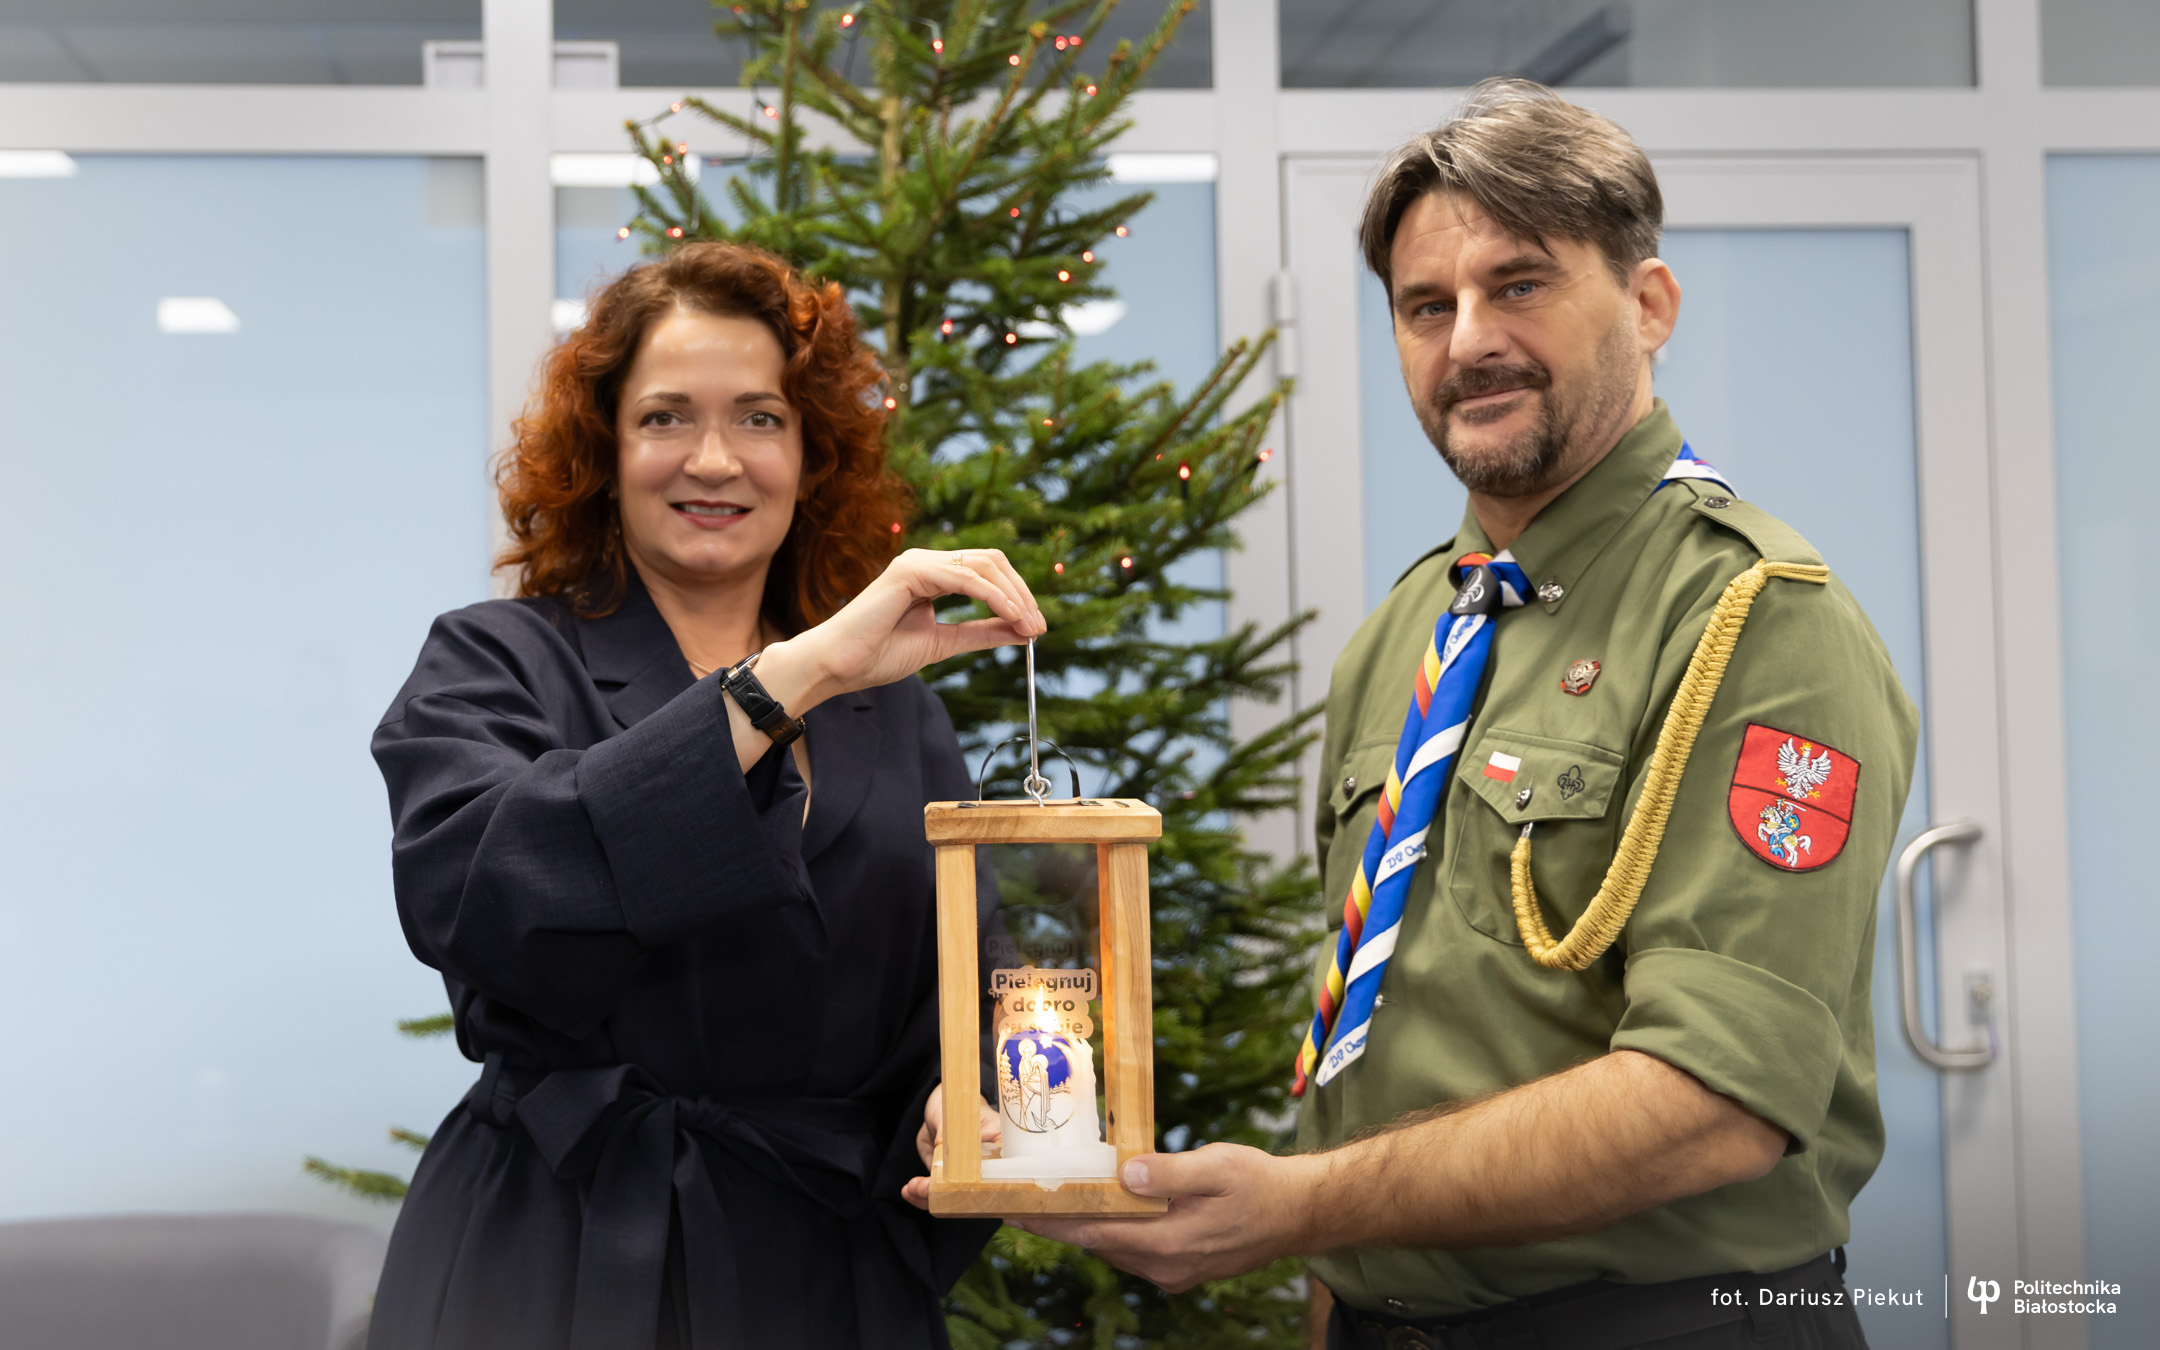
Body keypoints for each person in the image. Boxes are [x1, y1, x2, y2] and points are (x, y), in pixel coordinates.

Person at [1004, 80, 1917, 1350]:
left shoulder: (1752, 619)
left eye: (1520, 283)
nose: (1468, 340)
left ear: (1649, 305)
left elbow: (1717, 1105)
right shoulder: (1405, 638)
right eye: (1426, 305)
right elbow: (1363, 1049)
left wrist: (1297, 1207)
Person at [367, 240, 1033, 1350]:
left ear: (811, 455)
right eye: (665, 417)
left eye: (760, 418)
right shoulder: (493, 660)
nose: (715, 460)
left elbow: (973, 973)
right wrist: (784, 682)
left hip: (829, 1265)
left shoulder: (895, 707)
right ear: (605, 450)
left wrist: (961, 1098)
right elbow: (488, 899)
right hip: (561, 1254)